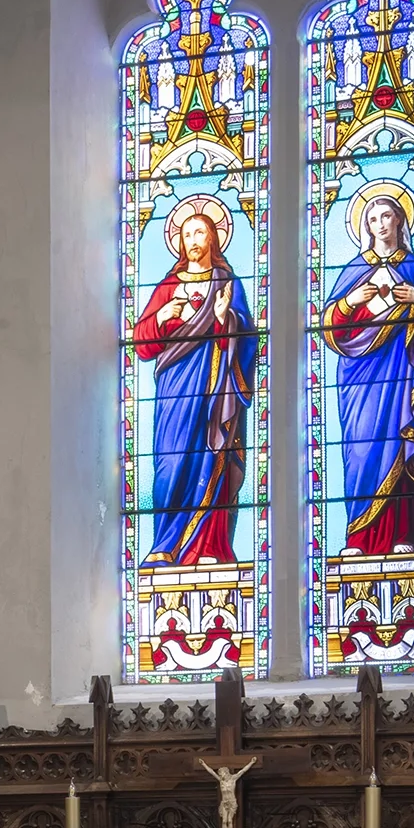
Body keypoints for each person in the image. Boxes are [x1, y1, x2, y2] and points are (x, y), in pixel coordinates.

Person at [131, 196, 259, 565]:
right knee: (171, 463)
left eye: (200, 231)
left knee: (211, 455)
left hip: (216, 388)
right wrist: (163, 317)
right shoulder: (168, 286)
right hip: (175, 388)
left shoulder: (227, 282)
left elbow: (248, 339)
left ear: (213, 238)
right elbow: (142, 344)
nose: (193, 239)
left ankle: (210, 547)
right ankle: (165, 545)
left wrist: (225, 319)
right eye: (187, 233)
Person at [318, 181, 414, 555]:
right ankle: (357, 537)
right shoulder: (356, 269)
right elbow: (329, 326)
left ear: (400, 219)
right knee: (360, 451)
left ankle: (403, 535)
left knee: (402, 443)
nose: (380, 223)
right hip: (360, 378)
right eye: (372, 218)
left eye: (386, 215)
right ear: (365, 227)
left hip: (402, 373)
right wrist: (351, 301)